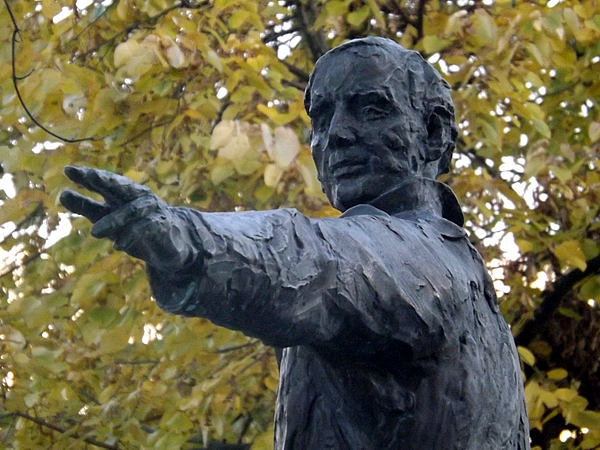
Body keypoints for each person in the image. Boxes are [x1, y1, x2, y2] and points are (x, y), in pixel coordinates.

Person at [61, 37, 530, 449]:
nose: (336, 135)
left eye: (371, 109)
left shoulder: (419, 259)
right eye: (322, 117)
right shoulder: (466, 279)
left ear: (433, 134)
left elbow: (314, 260)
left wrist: (188, 241)